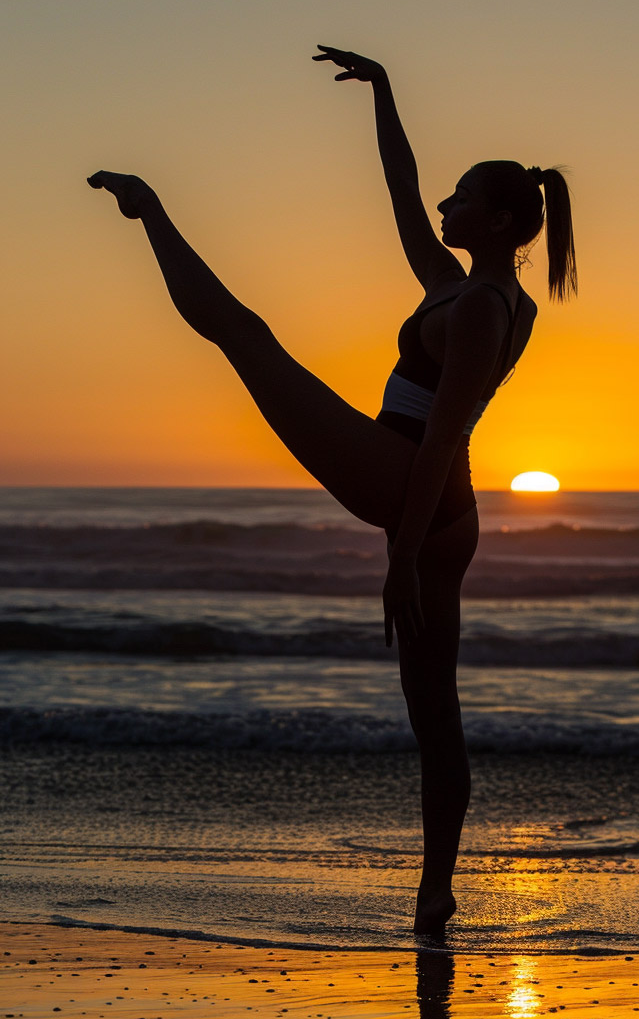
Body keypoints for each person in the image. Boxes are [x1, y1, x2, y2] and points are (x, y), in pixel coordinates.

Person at [88, 45, 576, 936]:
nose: (444, 203)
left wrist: (399, 551)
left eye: (464, 196)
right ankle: (436, 895)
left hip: (415, 486)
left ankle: (148, 207)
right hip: (439, 507)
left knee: (246, 335)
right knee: (434, 714)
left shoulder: (475, 310)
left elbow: (441, 439)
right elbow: (401, 189)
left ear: (503, 220)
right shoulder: (474, 290)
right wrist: (385, 90)